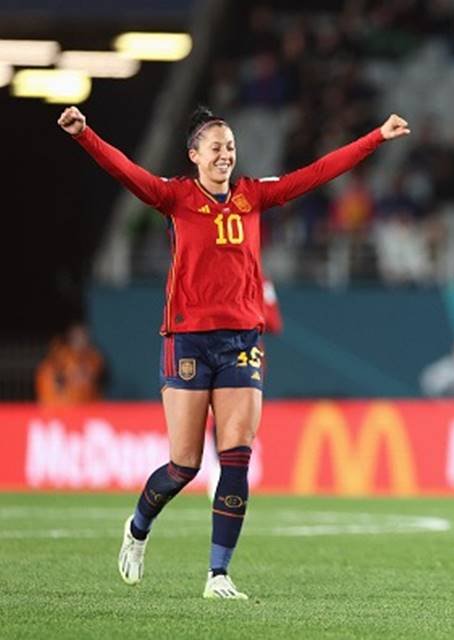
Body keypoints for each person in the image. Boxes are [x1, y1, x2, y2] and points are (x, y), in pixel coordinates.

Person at [59, 104, 409, 599]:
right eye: (216, 147)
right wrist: (85, 135)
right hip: (187, 339)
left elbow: (318, 173)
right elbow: (126, 171)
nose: (226, 154)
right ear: (194, 155)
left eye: (231, 146)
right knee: (184, 464)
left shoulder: (253, 195)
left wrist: (376, 135)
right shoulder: (175, 197)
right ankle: (138, 528)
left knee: (237, 458)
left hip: (242, 339)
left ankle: (218, 575)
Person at [35, 323, 105, 405]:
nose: (81, 340)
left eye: (83, 336)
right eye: (76, 336)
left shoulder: (94, 358)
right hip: (61, 407)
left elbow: (98, 380)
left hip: (87, 407)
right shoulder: (56, 361)